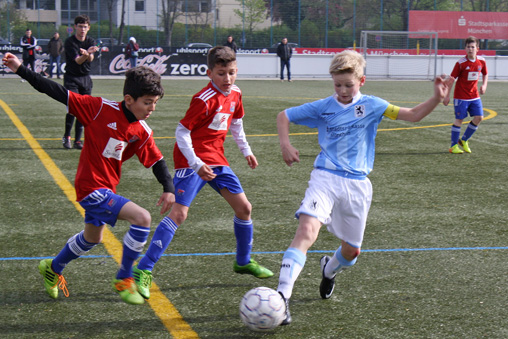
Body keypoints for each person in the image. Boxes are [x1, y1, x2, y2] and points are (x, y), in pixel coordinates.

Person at [273, 50, 453, 326]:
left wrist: (436, 98)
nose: (343, 91)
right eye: (337, 85)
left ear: (362, 81)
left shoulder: (374, 105)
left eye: (349, 85)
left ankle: (329, 269)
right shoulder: (323, 106)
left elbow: (413, 115)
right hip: (325, 177)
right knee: (306, 230)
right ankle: (281, 298)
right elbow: (283, 116)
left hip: (357, 186)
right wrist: (285, 144)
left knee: (351, 252)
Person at [2, 52, 176, 305]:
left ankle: (52, 267)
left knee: (92, 238)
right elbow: (56, 91)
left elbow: (157, 161)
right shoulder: (98, 109)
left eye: (155, 103)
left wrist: (168, 187)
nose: (152, 108)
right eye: (148, 102)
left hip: (106, 187)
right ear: (129, 99)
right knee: (142, 218)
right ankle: (124, 277)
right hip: (90, 188)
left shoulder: (141, 130)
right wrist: (20, 69)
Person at [131, 46, 273, 300]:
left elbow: (237, 124)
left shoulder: (236, 93)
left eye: (231, 73)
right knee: (179, 213)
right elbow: (182, 132)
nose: (227, 79)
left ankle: (243, 262)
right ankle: (144, 268)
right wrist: (196, 163)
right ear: (209, 73)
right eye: (221, 73)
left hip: (217, 158)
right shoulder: (203, 99)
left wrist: (246, 151)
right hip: (191, 160)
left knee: (244, 208)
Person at [443, 36, 488, 154]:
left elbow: (485, 74)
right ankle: (453, 146)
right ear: (465, 48)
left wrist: (484, 85)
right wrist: (446, 96)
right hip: (461, 96)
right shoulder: (460, 63)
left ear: (477, 48)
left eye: (472, 47)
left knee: (479, 118)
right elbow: (451, 80)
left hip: (474, 96)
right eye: (468, 47)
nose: (470, 49)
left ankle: (464, 140)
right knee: (459, 119)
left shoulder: (482, 61)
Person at [62, 14, 99, 150]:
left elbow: (90, 59)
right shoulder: (70, 42)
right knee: (73, 108)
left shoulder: (91, 41)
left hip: (85, 78)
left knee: (84, 110)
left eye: (85, 27)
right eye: (80, 26)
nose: (82, 29)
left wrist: (88, 53)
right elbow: (78, 61)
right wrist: (85, 54)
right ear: (75, 27)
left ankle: (78, 140)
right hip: (72, 78)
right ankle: (67, 136)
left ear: (88, 28)